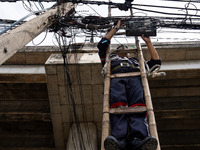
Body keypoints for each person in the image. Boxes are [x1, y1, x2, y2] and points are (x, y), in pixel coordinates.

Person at [97, 20, 161, 150]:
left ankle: (138, 138)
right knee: (118, 106)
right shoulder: (111, 59)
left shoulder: (136, 60)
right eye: (120, 48)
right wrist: (116, 28)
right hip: (116, 78)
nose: (123, 49)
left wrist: (148, 42)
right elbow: (103, 44)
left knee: (139, 106)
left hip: (135, 78)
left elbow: (156, 62)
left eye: (126, 49)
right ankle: (120, 140)